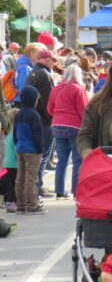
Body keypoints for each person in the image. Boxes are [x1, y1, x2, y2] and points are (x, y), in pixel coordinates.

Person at [47, 63, 88, 198]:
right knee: (77, 160)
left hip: (57, 125)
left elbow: (49, 109)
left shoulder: (56, 89)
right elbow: (83, 110)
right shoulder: (78, 89)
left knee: (62, 160)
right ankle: (76, 191)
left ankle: (59, 190)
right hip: (74, 126)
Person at [26, 47, 56, 196]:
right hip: (43, 120)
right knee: (42, 156)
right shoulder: (44, 75)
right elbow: (48, 100)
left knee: (35, 156)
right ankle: (38, 186)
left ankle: (34, 187)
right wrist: (51, 119)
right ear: (46, 60)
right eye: (52, 60)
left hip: (32, 117)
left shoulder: (32, 72)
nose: (53, 63)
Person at [13, 85, 45, 214]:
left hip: (20, 148)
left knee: (20, 177)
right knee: (31, 178)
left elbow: (15, 133)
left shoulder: (19, 114)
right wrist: (40, 149)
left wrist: (17, 145)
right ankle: (31, 205)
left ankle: (20, 204)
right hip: (32, 150)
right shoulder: (34, 115)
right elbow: (37, 135)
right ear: (33, 99)